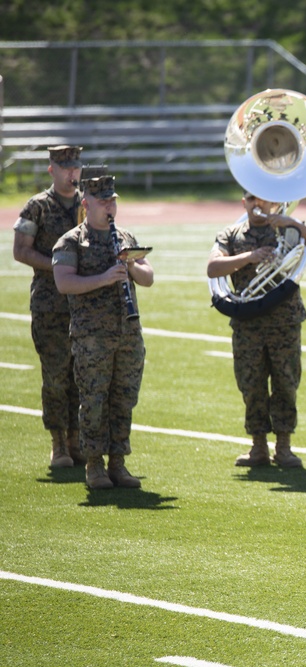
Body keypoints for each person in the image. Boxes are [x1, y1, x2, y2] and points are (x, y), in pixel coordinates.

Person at [207, 191, 306, 468]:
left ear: (273, 202)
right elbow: (213, 267)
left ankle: (284, 446)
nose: (257, 204)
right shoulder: (231, 234)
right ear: (243, 202)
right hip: (248, 322)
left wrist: (292, 222)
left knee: (286, 383)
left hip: (285, 320)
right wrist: (249, 257)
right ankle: (258, 445)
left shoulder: (287, 228)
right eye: (251, 199)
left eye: (263, 199)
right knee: (251, 384)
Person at [51, 175, 154, 489]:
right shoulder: (71, 242)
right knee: (94, 400)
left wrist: (130, 266)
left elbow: (148, 277)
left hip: (127, 334)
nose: (110, 205)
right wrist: (105, 277)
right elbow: (64, 282)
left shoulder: (123, 236)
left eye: (113, 200)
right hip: (91, 337)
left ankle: (118, 463)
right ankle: (94, 465)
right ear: (86, 203)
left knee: (124, 399)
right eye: (103, 201)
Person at [12, 145, 85, 469]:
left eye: (75, 167)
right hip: (50, 306)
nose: (71, 172)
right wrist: (57, 266)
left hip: (85, 306)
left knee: (81, 377)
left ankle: (76, 439)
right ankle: (58, 443)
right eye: (64, 167)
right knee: (56, 377)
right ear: (51, 170)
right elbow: (21, 250)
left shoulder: (89, 204)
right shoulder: (38, 207)